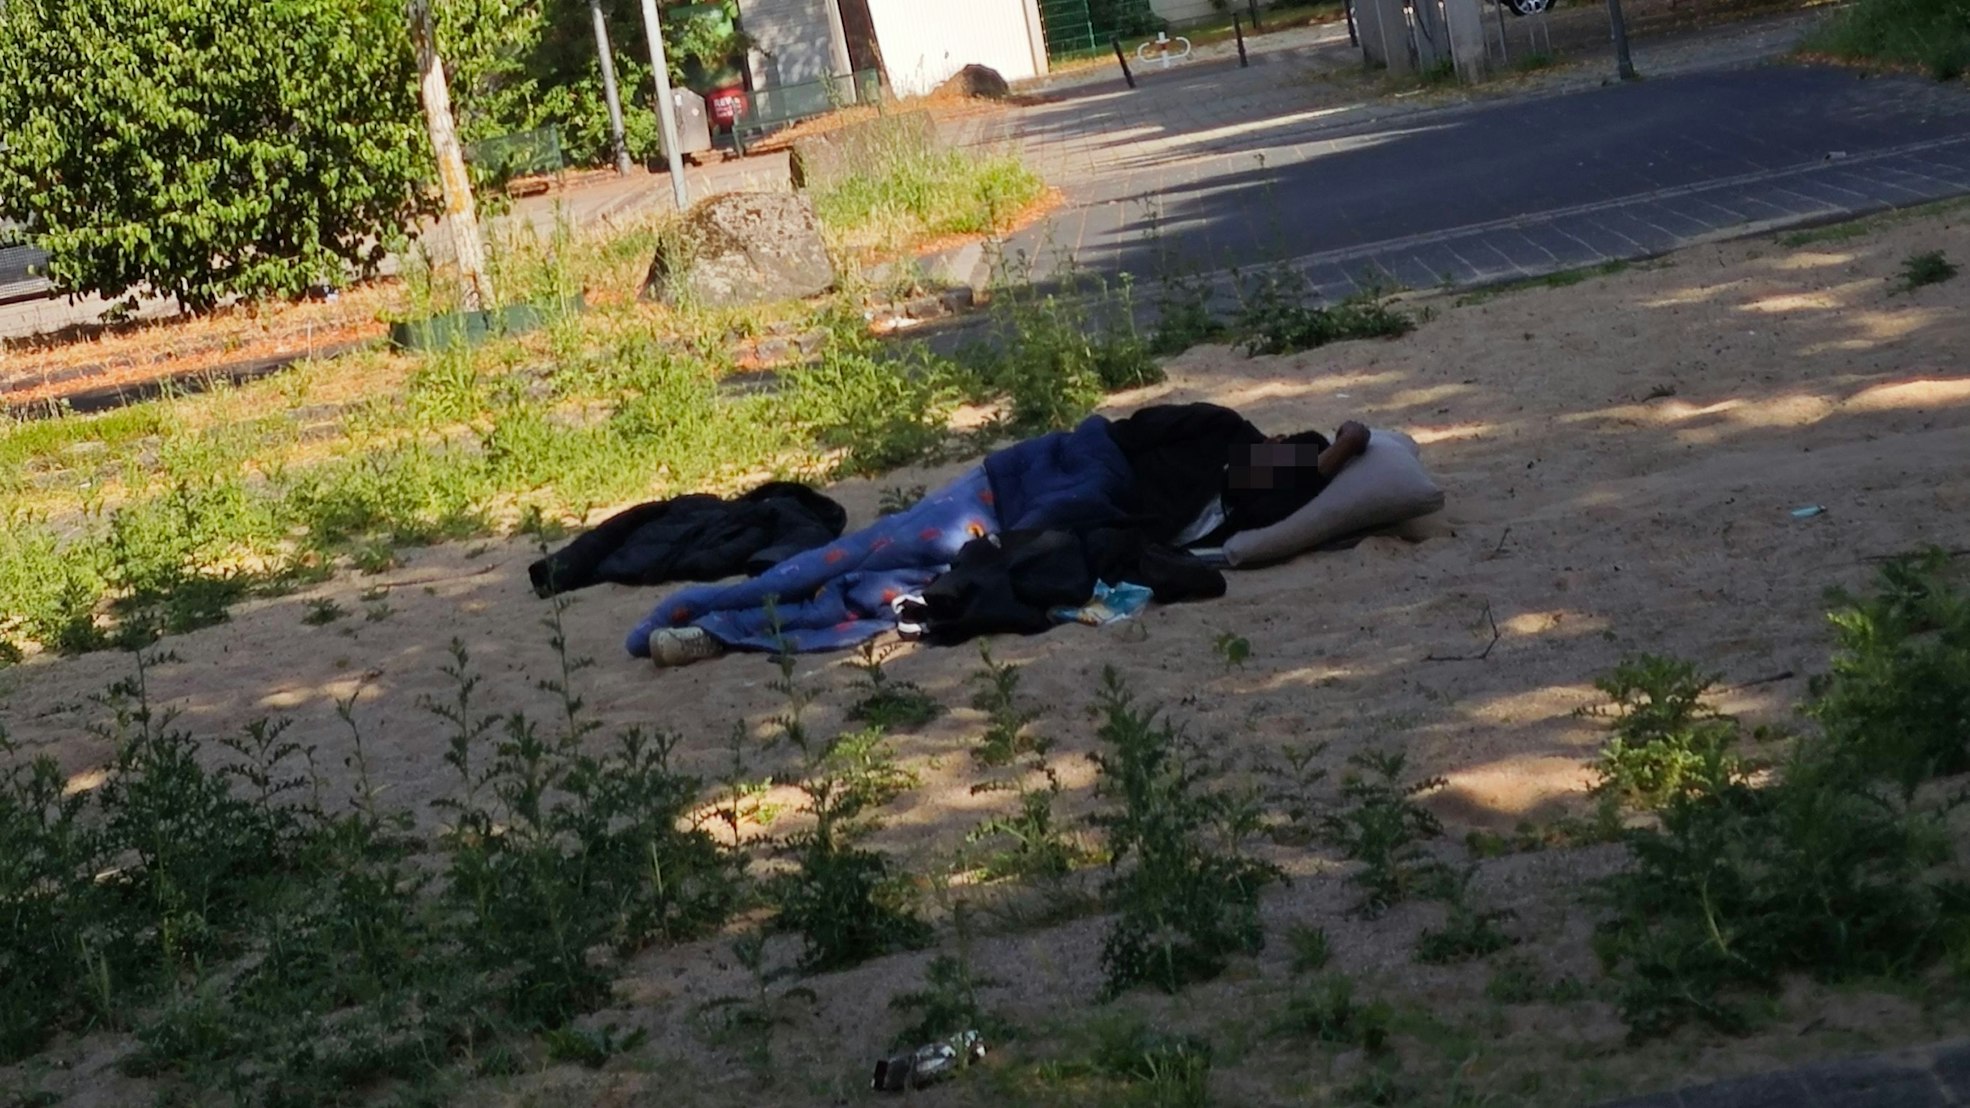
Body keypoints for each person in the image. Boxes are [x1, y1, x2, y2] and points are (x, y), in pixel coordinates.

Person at [634, 406, 1372, 667]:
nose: (1269, 481)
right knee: (875, 549)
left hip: (1031, 535)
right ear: (1272, 445)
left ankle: (723, 633)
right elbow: (1108, 439)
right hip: (1015, 489)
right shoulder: (1216, 431)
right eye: (1280, 464)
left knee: (888, 598)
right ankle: (701, 603)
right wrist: (1332, 449)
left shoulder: (1230, 522)